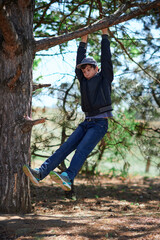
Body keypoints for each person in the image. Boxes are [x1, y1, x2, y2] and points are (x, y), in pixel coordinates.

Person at [23, 27, 113, 191]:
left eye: (89, 69)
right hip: (87, 122)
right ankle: (40, 173)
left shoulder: (104, 78)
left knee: (81, 150)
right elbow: (79, 60)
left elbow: (106, 58)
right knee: (64, 149)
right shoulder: (84, 81)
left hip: (100, 123)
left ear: (96, 69)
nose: (85, 72)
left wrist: (104, 35)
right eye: (84, 70)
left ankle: (68, 177)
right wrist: (83, 40)